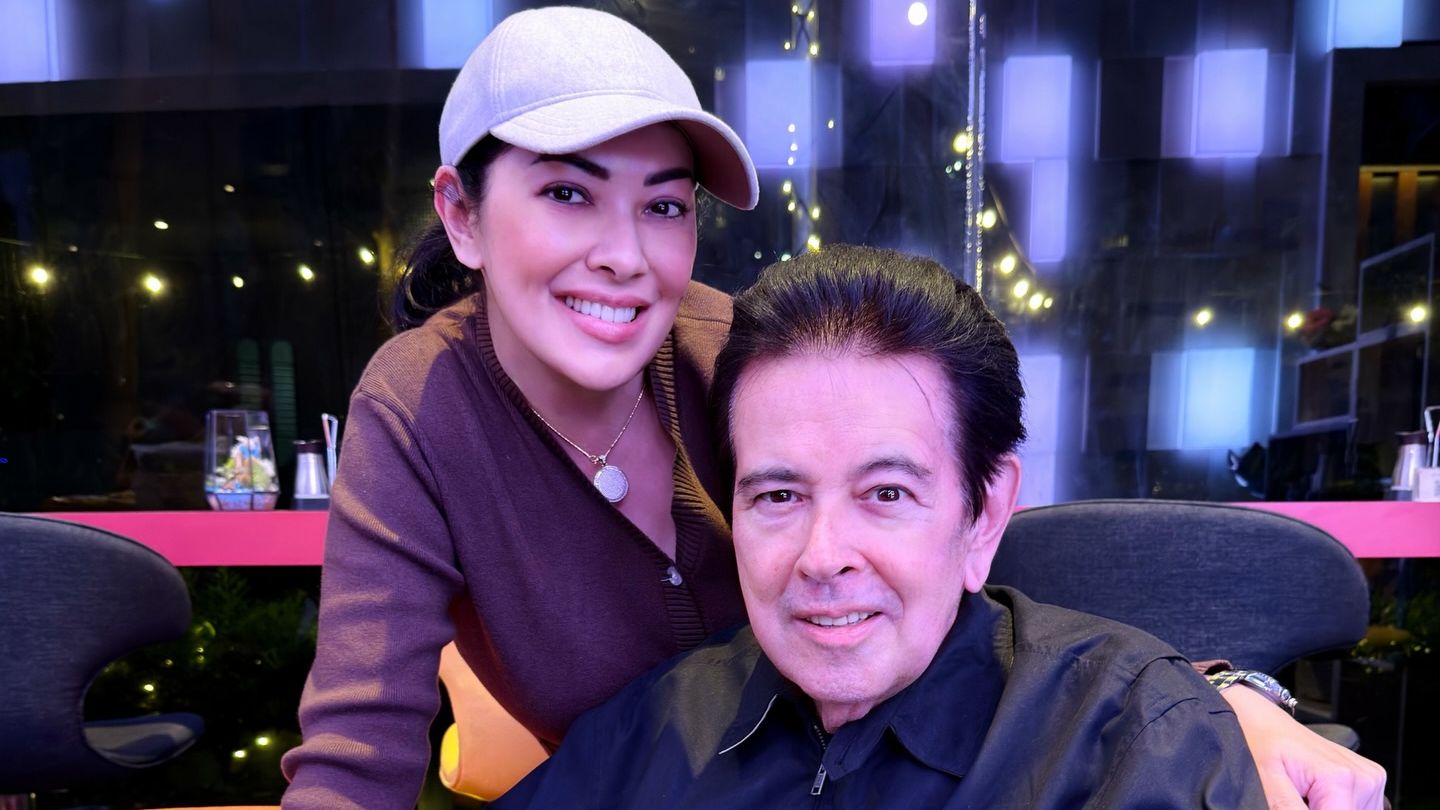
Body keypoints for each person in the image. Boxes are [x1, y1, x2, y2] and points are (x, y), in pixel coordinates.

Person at [281, 7, 1386, 809]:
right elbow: (354, 757)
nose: (624, 257)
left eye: (664, 206)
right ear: (462, 216)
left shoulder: (740, 352)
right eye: (568, 192)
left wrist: (1200, 703)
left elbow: (979, 592)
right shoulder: (422, 408)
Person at [491, 244, 1275, 808]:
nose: (822, 557)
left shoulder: (1128, 741)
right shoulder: (651, 733)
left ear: (984, 512)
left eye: (887, 494)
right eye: (779, 497)